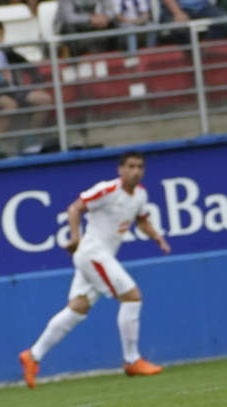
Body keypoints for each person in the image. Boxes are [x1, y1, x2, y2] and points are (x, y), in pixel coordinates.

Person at [19, 152, 171, 388]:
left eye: (140, 166)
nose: (136, 171)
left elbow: (142, 221)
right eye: (130, 166)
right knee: (132, 297)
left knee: (77, 309)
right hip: (92, 253)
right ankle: (132, 360)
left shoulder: (140, 194)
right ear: (120, 169)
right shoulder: (107, 189)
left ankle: (32, 355)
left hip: (100, 256)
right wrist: (75, 238)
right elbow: (75, 208)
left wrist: (157, 238)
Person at [0, 18, 52, 152]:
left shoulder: (7, 51)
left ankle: (30, 136)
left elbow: (26, 65)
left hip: (14, 91)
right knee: (10, 105)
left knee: (45, 99)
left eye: (0, 35)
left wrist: (38, 81)